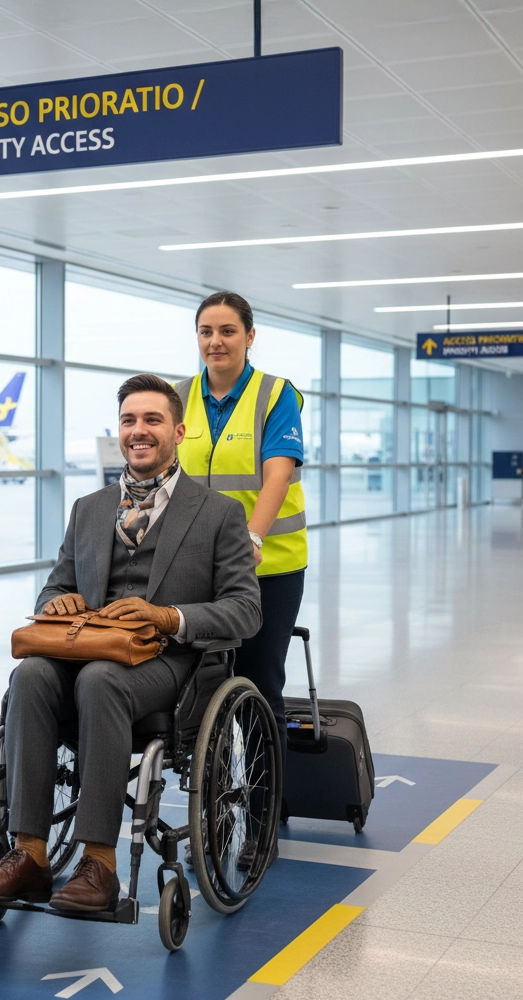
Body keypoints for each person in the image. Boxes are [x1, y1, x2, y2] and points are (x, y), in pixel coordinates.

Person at [0, 373, 261, 912]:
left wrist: (167, 616)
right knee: (29, 674)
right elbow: (57, 582)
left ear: (179, 431)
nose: (138, 431)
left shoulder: (219, 514)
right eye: (128, 420)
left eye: (152, 420)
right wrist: (57, 602)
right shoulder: (90, 508)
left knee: (101, 680)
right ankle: (29, 855)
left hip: (171, 667)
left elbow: (245, 609)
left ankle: (99, 863)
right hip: (88, 648)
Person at [174, 291, 306, 839]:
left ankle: (261, 819)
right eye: (207, 331)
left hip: (267, 566)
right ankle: (212, 800)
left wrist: (251, 536)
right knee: (195, 687)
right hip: (194, 569)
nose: (216, 341)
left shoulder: (275, 395)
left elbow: (277, 472)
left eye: (228, 331)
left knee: (257, 682)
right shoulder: (178, 395)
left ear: (250, 336)